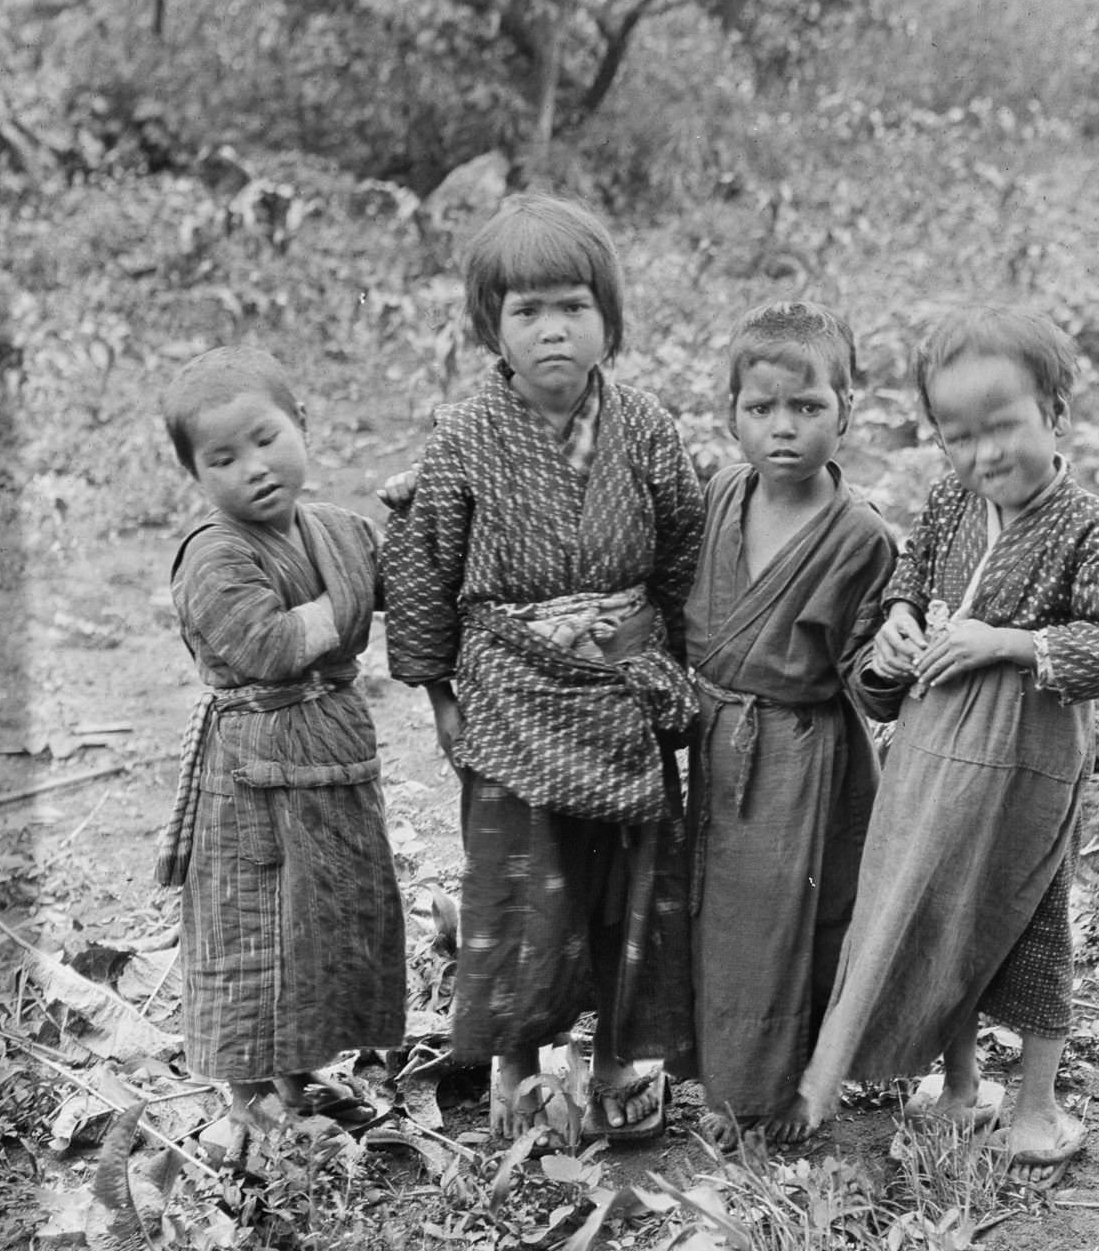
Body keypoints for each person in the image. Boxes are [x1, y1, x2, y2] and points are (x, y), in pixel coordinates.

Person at [382, 192, 704, 1144]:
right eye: (528, 310)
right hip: (509, 696)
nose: (554, 329)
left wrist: (665, 663)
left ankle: (615, 1061)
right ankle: (515, 1068)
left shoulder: (645, 429)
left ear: (609, 316)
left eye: (573, 305)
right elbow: (423, 565)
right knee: (518, 886)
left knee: (626, 888)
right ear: (492, 325)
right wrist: (442, 694)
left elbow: (684, 550)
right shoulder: (465, 437)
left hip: (622, 691)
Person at [796, 305, 1099, 1186]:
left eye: (1003, 427)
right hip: (934, 754)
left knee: (1028, 922)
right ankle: (958, 1084)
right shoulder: (953, 501)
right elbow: (907, 580)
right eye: (958, 436)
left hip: (1026, 762)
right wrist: (903, 625)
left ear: (1056, 414)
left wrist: (1008, 643)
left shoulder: (1089, 526)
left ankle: (1034, 1106)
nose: (984, 455)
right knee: (936, 909)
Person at [155, 346, 405, 1136]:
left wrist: (422, 517)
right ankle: (251, 1099)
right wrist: (354, 599)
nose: (253, 468)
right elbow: (266, 643)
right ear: (198, 477)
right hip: (251, 771)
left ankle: (301, 1073)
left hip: (332, 748)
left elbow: (403, 576)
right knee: (253, 920)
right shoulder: (213, 554)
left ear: (303, 425)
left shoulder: (335, 529)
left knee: (325, 916)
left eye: (266, 438)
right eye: (222, 458)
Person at [685, 301, 897, 1150]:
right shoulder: (720, 494)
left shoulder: (861, 537)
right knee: (716, 919)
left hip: (804, 756)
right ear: (730, 412)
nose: (784, 429)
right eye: (761, 408)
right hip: (715, 738)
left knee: (785, 923)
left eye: (807, 408)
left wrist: (897, 653)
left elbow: (869, 675)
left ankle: (783, 1090)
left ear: (849, 411)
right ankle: (722, 1077)